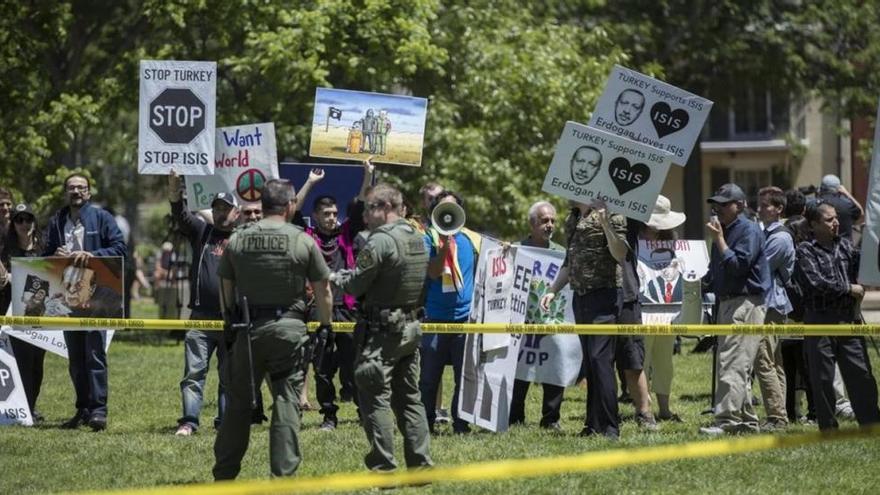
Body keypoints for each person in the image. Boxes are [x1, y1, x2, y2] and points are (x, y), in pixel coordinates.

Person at [213, 179, 333, 480]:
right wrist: (325, 325)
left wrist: (230, 320)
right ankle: (283, 477)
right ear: (290, 205)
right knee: (286, 401)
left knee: (238, 404)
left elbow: (225, 284)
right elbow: (323, 289)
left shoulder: (238, 239)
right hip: (290, 329)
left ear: (262, 205)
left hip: (248, 328)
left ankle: (224, 474)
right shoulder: (302, 240)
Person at [331, 183, 433, 471]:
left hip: (381, 333)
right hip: (410, 328)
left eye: (369, 208)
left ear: (386, 207)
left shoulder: (380, 241)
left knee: (375, 399)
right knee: (410, 399)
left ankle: (383, 467)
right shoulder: (417, 237)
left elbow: (355, 283)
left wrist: (334, 276)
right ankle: (421, 463)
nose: (365, 216)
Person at [540, 199, 628, 439]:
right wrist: (552, 290)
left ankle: (610, 427)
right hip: (581, 297)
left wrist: (605, 222)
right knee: (590, 362)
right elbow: (570, 262)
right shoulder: (572, 219)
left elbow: (620, 253)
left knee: (601, 360)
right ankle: (592, 425)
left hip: (605, 295)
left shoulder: (613, 214)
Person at [44, 173, 126, 431]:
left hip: (95, 295)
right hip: (66, 296)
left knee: (94, 354)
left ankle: (99, 411)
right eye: (71, 188)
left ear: (89, 193)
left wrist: (92, 254)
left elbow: (120, 248)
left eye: (81, 188)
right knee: (75, 357)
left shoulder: (102, 218)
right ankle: (83, 409)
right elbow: (44, 256)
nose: (76, 191)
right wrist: (54, 254)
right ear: (65, 193)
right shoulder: (57, 220)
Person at [796, 201, 880, 430]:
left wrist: (871, 239)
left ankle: (871, 424)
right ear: (814, 224)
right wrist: (849, 289)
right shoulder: (805, 250)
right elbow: (815, 283)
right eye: (829, 219)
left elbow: (866, 266)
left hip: (848, 321)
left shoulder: (845, 246)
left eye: (836, 218)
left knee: (861, 374)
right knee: (823, 379)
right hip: (819, 322)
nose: (836, 223)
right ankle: (828, 428)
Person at [303, 159, 373, 430]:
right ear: (316, 215)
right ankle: (329, 414)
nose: (332, 217)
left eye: (334, 213)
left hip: (347, 309)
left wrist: (368, 174)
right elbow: (291, 210)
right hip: (318, 310)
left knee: (355, 365)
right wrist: (309, 182)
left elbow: (359, 203)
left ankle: (362, 410)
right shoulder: (307, 235)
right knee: (321, 368)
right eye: (326, 214)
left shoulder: (347, 233)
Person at [168, 171, 239, 436]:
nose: (221, 213)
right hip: (200, 317)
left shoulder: (244, 238)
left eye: (227, 209)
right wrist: (175, 192)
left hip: (232, 319)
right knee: (194, 374)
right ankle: (189, 421)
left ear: (236, 213)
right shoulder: (202, 232)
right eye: (217, 208)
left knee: (229, 378)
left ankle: (226, 422)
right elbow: (181, 216)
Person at [699, 183, 770, 435]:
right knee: (738, 363)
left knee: (732, 362)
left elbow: (739, 265)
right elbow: (715, 271)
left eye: (723, 203)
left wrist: (718, 239)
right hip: (728, 302)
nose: (716, 208)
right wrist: (693, 282)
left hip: (745, 302)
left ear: (739, 206)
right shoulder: (723, 230)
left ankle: (726, 422)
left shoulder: (747, 230)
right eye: (714, 203)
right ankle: (747, 423)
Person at [420, 190, 481, 434]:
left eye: (452, 208)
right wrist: (443, 248)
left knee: (463, 377)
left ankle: (461, 423)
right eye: (442, 209)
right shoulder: (428, 238)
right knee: (428, 378)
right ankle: (425, 423)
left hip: (464, 320)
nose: (447, 214)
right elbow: (433, 273)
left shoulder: (472, 240)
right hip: (435, 318)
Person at [509, 201, 566, 430]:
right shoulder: (516, 250)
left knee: (554, 368)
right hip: (522, 322)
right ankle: (515, 417)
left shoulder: (562, 254)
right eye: (544, 221)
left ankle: (551, 419)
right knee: (519, 370)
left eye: (553, 220)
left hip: (551, 321)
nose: (550, 225)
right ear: (532, 224)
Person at [639, 195, 687, 422]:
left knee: (664, 362)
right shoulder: (634, 239)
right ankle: (644, 408)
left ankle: (665, 409)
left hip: (668, 312)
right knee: (642, 360)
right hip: (643, 310)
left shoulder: (675, 242)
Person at [1, 203, 47, 421]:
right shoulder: (5, 249)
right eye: (19, 220)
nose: (24, 224)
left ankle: (31, 406)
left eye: (28, 219)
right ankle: (23, 409)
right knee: (19, 362)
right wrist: (9, 277)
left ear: (34, 222)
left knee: (37, 362)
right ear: (13, 223)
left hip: (39, 314)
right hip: (12, 312)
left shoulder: (44, 247)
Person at [755, 187, 793, 431]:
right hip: (773, 304)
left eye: (766, 205)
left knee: (763, 360)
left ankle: (777, 416)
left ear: (779, 209)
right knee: (774, 361)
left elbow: (760, 268)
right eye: (759, 204)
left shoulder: (779, 238)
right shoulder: (769, 234)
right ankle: (780, 414)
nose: (760, 209)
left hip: (771, 305)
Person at [816, 174, 863, 240]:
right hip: (845, 247)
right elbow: (861, 213)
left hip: (819, 247)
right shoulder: (847, 205)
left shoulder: (814, 204)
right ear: (839, 189)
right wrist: (847, 194)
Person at [0, 187, 15, 312]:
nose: (5, 207)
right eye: (1, 204)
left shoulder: (21, 223)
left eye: (8, 204)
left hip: (17, 283)